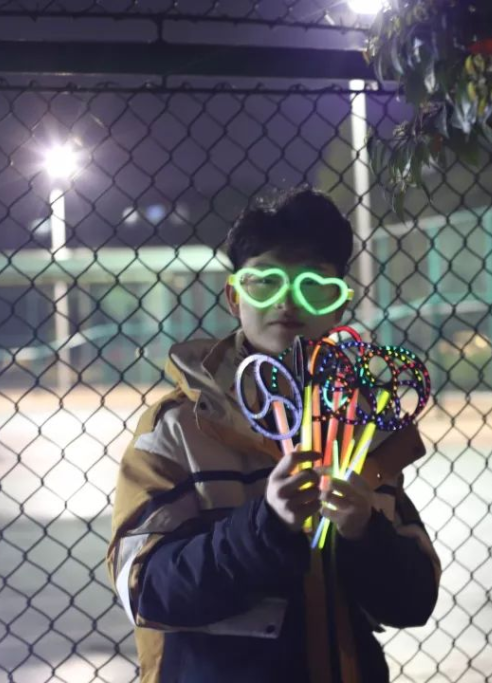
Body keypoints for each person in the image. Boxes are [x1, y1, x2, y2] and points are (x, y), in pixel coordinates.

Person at [106, 187, 440, 683]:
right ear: (234, 297)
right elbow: (146, 590)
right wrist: (267, 526)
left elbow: (413, 600)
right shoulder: (178, 429)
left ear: (339, 305)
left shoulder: (361, 432)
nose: (286, 301)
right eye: (265, 282)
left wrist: (363, 531)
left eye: (314, 285)